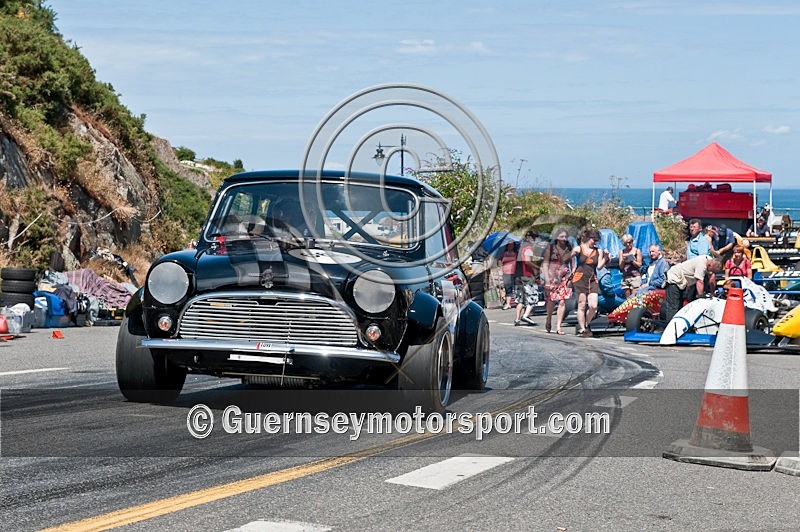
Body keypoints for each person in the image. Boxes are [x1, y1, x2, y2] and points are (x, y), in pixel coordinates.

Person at [660, 256, 723, 323]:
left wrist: (713, 293)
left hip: (682, 282)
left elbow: (712, 279)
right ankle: (671, 326)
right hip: (674, 278)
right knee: (673, 307)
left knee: (680, 307)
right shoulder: (701, 265)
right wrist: (701, 296)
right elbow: (699, 282)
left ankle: (678, 324)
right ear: (709, 265)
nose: (711, 272)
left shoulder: (710, 260)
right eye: (711, 270)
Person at [570, 227, 608, 337]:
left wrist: (605, 258)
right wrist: (572, 267)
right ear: (588, 238)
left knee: (593, 306)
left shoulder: (598, 251)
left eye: (597, 241)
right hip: (580, 278)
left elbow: (599, 267)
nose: (595, 243)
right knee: (581, 304)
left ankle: (586, 324)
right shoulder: (579, 249)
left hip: (592, 279)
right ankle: (582, 328)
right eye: (593, 240)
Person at [542, 228, 573, 334]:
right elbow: (545, 263)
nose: (564, 239)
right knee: (551, 300)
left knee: (562, 301)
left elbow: (572, 263)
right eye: (561, 236)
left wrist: (572, 275)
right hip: (553, 277)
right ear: (556, 237)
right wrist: (547, 279)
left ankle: (559, 326)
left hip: (565, 277)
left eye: (565, 237)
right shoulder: (550, 248)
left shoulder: (569, 248)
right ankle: (549, 318)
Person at [514, 231, 539, 326]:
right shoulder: (528, 248)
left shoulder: (520, 248)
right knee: (533, 296)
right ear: (530, 238)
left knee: (520, 298)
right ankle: (526, 315)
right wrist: (537, 267)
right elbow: (527, 261)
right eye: (534, 238)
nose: (535, 240)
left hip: (518, 275)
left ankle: (517, 319)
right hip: (527, 275)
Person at [618, 233, 643, 298]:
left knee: (634, 298)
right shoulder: (622, 252)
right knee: (627, 299)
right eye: (626, 243)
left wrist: (632, 260)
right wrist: (623, 260)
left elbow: (639, 264)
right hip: (625, 277)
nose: (628, 244)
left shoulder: (637, 251)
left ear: (632, 241)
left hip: (635, 277)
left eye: (629, 242)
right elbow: (620, 266)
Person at [499, 242, 517, 310]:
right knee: (508, 288)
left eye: (512, 245)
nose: (510, 246)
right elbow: (500, 262)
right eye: (509, 245)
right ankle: (508, 303)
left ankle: (517, 302)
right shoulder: (503, 253)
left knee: (516, 287)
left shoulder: (516, 253)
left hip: (515, 271)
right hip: (506, 272)